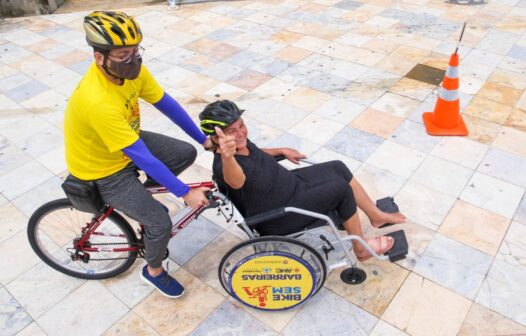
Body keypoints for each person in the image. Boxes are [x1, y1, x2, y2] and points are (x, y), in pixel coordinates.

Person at [64, 11, 214, 298]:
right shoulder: (97, 101)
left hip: (124, 139)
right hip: (103, 169)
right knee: (159, 221)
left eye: (135, 51)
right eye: (123, 54)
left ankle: (140, 198)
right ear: (99, 58)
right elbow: (141, 155)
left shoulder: (131, 71)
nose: (132, 59)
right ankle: (153, 271)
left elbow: (165, 103)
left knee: (184, 152)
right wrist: (184, 192)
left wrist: (202, 138)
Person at [199, 100, 406, 261]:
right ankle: (361, 249)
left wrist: (280, 150)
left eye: (241, 126)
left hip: (289, 185)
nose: (240, 133)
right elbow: (235, 180)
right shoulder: (225, 164)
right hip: (280, 214)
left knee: (337, 167)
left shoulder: (240, 143)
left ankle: (376, 215)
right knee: (341, 190)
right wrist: (227, 156)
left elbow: (255, 152)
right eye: (231, 132)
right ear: (217, 138)